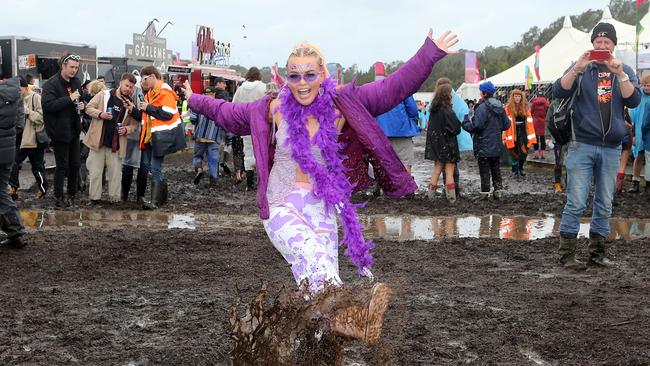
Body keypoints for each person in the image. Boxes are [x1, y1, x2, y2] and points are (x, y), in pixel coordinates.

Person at [183, 29, 458, 343]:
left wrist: (429, 53)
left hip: (322, 209)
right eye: (294, 75)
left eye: (309, 74)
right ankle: (356, 320)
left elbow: (393, 89)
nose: (301, 83)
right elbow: (226, 114)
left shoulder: (342, 105)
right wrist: (193, 99)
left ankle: (305, 346)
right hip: (281, 206)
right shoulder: (272, 108)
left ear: (323, 74)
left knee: (317, 287)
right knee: (315, 264)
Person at [554, 22, 641, 269]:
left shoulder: (624, 70)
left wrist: (620, 74)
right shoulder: (582, 68)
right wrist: (578, 68)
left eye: (607, 43)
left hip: (611, 146)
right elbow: (558, 91)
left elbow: (633, 100)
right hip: (581, 143)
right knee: (577, 200)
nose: (602, 46)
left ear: (613, 45)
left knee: (605, 201)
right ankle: (566, 254)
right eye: (598, 42)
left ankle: (597, 252)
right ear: (592, 43)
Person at [84, 73, 140, 203]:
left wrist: (126, 129)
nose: (128, 89)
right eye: (126, 85)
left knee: (115, 174)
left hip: (116, 144)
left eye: (131, 87)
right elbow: (88, 108)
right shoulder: (104, 94)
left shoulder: (129, 104)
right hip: (99, 140)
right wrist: (100, 114)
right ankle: (94, 198)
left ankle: (114, 199)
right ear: (120, 82)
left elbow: (134, 125)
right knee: (95, 172)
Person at [138, 66, 186, 210]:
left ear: (152, 76)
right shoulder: (150, 94)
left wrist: (148, 108)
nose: (142, 83)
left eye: (144, 79)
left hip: (163, 137)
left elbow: (167, 113)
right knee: (152, 168)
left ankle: (155, 202)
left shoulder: (165, 93)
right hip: (151, 138)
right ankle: (161, 198)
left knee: (155, 168)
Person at [41, 53, 85, 208]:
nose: (74, 70)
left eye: (76, 68)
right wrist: (69, 99)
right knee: (62, 165)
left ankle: (72, 193)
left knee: (75, 164)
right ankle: (59, 196)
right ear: (63, 66)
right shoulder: (51, 84)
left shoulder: (76, 82)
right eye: (71, 67)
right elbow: (48, 106)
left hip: (74, 129)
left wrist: (82, 106)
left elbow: (80, 100)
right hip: (59, 131)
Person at [462, 81, 510, 200]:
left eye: (480, 91)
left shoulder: (482, 108)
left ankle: (485, 193)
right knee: (495, 168)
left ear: (484, 93)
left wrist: (466, 123)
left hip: (483, 144)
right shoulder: (500, 106)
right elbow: (507, 124)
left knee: (484, 170)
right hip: (496, 144)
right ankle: (498, 191)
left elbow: (477, 126)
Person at [374, 63, 420, 175]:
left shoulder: (375, 89)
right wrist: (413, 122)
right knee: (405, 161)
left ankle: (382, 187)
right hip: (402, 130)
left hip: (381, 131)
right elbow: (413, 110)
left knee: (383, 162)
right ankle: (406, 189)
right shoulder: (403, 89)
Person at [8, 76, 48, 200]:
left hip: (33, 140)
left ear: (25, 87)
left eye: (19, 89)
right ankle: (13, 188)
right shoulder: (15, 99)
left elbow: (42, 118)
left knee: (37, 167)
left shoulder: (35, 98)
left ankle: (43, 189)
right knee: (12, 163)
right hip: (19, 139)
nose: (17, 92)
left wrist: (28, 112)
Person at [0, 77, 26, 248]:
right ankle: (14, 233)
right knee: (2, 190)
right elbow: (19, 124)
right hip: (7, 151)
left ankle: (16, 231)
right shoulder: (16, 95)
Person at [424, 84, 461, 202]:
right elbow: (456, 129)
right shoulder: (448, 111)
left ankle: (431, 196)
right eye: (450, 93)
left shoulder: (433, 110)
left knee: (436, 170)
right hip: (449, 145)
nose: (452, 95)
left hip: (436, 145)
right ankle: (451, 199)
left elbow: (431, 129)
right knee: (449, 172)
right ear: (447, 95)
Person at [231, 67, 267, 182]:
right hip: (261, 122)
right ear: (259, 75)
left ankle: (249, 181)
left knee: (248, 150)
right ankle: (261, 178)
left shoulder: (241, 89)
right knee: (261, 149)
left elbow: (234, 105)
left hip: (246, 123)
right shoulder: (263, 87)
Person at [190, 86, 224, 186]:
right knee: (213, 160)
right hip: (213, 138)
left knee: (197, 156)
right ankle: (214, 179)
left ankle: (199, 169)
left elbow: (192, 119)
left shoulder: (198, 104)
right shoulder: (219, 105)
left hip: (200, 137)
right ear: (214, 94)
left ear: (203, 94)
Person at [121, 84, 148, 203]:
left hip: (146, 136)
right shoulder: (135, 92)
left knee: (144, 167)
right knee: (128, 166)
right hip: (133, 135)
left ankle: (140, 196)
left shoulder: (154, 93)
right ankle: (124, 193)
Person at [503, 89, 536, 177]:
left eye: (519, 96)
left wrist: (531, 135)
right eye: (515, 96)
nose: (517, 98)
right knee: (513, 151)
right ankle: (514, 170)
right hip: (512, 132)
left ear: (521, 97)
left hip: (524, 131)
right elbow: (504, 122)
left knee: (524, 150)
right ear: (512, 97)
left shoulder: (525, 107)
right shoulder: (508, 108)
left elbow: (530, 122)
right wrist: (504, 136)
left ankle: (521, 168)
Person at [628, 74, 650, 193]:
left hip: (648, 132)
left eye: (649, 86)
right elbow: (633, 116)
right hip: (639, 131)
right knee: (638, 157)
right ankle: (635, 182)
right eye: (645, 85)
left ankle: (648, 183)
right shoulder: (639, 96)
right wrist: (634, 135)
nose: (647, 88)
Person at [545, 98, 567, 192]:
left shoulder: (571, 101)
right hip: (557, 138)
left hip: (570, 138)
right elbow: (548, 120)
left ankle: (567, 182)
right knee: (558, 162)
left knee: (571, 162)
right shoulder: (553, 104)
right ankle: (557, 183)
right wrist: (547, 136)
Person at [530, 90, 550, 160]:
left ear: (537, 95)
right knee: (542, 138)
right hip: (543, 122)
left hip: (535, 122)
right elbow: (548, 111)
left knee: (535, 139)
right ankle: (543, 155)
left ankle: (535, 154)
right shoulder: (546, 102)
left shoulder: (534, 102)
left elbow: (531, 112)